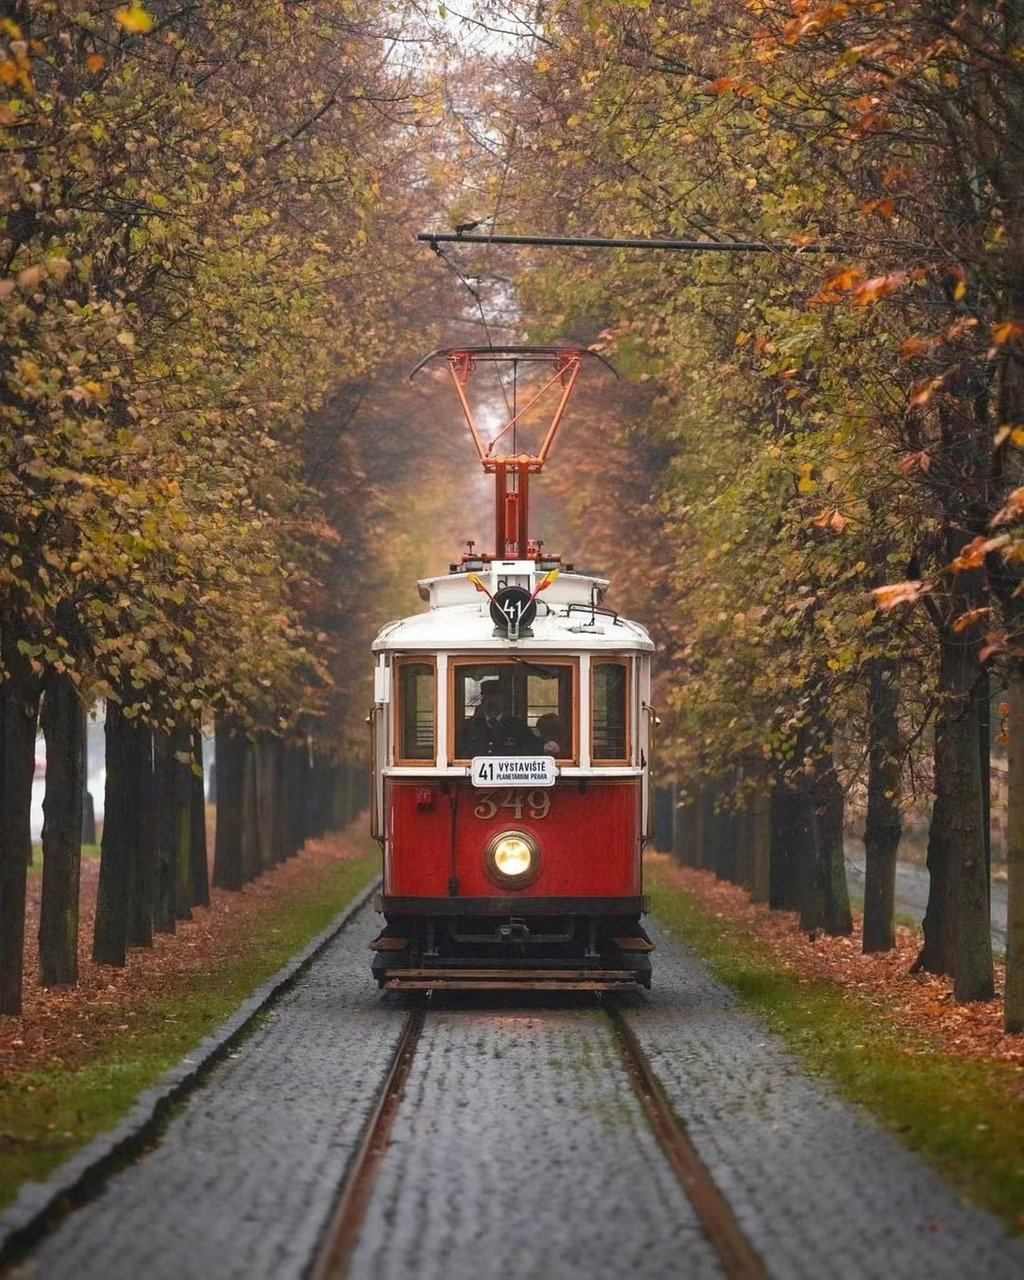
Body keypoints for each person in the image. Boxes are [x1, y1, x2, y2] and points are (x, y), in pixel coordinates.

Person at [458, 678, 544, 756]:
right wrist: (475, 717)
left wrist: (547, 745)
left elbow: (534, 745)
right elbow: (459, 749)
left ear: (504, 700)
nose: (492, 702)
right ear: (483, 701)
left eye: (497, 698)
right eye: (489, 698)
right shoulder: (471, 725)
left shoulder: (516, 725)